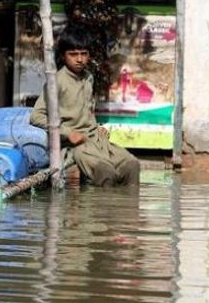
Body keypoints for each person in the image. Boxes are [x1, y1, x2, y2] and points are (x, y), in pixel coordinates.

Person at [29, 25, 140, 187]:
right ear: (63, 56)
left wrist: (96, 127)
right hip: (74, 146)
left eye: (84, 54)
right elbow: (36, 116)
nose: (79, 59)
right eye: (73, 54)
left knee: (132, 165)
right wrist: (68, 133)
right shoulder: (56, 81)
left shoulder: (88, 78)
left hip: (96, 139)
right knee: (105, 173)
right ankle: (99, 204)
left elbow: (86, 110)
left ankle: (127, 204)